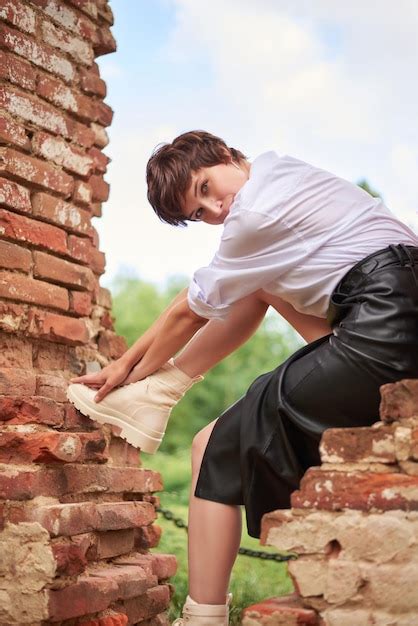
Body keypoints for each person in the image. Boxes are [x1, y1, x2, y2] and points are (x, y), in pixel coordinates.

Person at [67, 130, 418, 626]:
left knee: (213, 444)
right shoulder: (281, 174)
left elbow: (189, 314)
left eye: (208, 187)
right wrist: (138, 370)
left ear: (228, 155)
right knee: (257, 287)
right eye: (199, 212)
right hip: (397, 315)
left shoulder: (253, 212)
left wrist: (125, 369)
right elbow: (205, 293)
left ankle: (202, 617)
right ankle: (161, 392)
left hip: (384, 327)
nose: (215, 209)